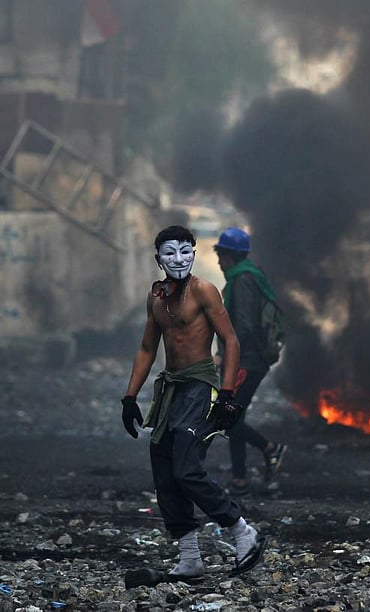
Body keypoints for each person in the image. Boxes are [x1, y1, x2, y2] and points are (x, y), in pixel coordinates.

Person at [120, 225, 266, 580]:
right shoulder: (156, 298)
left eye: (186, 251)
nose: (179, 259)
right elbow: (146, 348)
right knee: (164, 470)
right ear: (159, 259)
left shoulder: (204, 290)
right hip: (171, 390)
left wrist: (228, 395)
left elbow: (230, 341)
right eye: (170, 253)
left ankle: (244, 533)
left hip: (201, 385)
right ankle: (190, 559)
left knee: (186, 468)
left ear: (194, 254)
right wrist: (129, 397)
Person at [214, 227, 287, 496]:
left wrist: (224, 354)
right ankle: (239, 479)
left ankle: (270, 448)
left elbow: (243, 326)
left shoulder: (243, 280)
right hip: (245, 359)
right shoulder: (247, 277)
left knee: (228, 419)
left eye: (221, 256)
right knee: (234, 416)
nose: (219, 262)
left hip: (246, 361)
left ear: (230, 255)